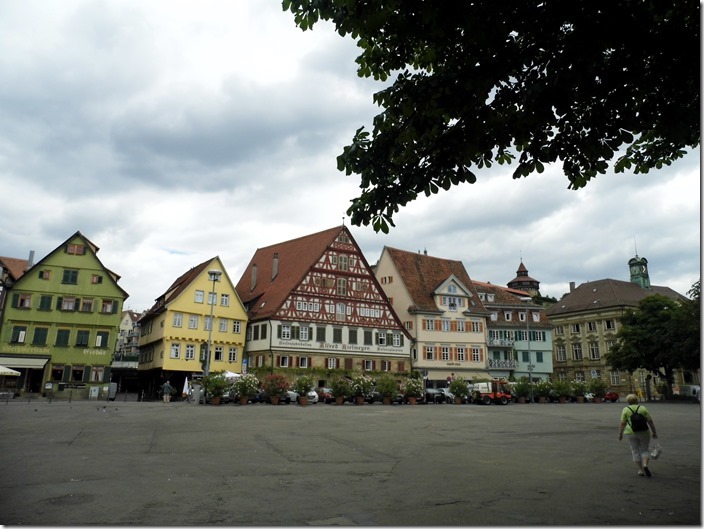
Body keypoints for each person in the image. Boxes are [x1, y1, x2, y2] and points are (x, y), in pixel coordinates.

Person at [618, 393, 658, 477]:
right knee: (645, 449)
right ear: (636, 400)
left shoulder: (625, 409)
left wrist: (620, 434)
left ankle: (640, 470)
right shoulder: (642, 408)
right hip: (644, 431)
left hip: (630, 432)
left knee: (635, 451)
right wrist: (654, 432)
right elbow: (650, 421)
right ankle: (645, 465)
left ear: (627, 401)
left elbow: (622, 423)